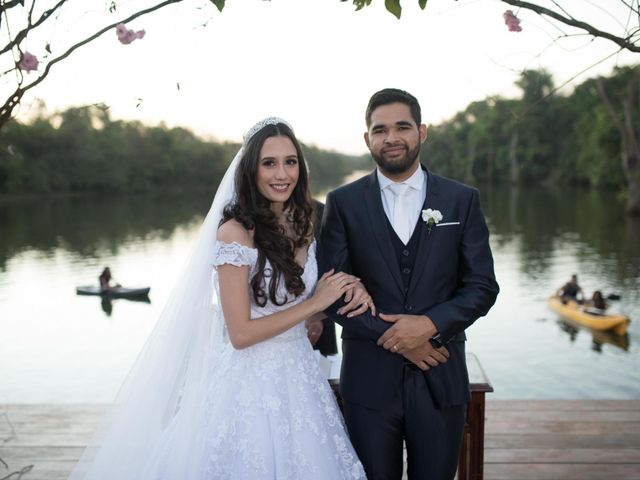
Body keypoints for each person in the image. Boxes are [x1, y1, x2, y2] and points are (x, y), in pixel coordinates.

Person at [70, 118, 367, 479]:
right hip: (250, 387)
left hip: (301, 377)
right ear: (250, 169)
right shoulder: (235, 234)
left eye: (290, 162)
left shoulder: (305, 223)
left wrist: (337, 300)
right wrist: (314, 305)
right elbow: (240, 334)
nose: (282, 173)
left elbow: (318, 286)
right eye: (269, 163)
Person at [318, 88, 499, 479]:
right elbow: (330, 293)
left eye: (402, 127)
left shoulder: (461, 200)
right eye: (380, 130)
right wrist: (402, 339)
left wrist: (430, 328)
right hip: (368, 384)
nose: (391, 137)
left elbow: (482, 286)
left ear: (422, 132)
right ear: (367, 139)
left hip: (441, 376)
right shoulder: (343, 203)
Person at [306, 199, 339, 356]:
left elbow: (334, 266)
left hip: (318, 329)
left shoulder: (323, 212)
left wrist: (319, 314)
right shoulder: (241, 222)